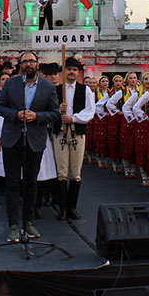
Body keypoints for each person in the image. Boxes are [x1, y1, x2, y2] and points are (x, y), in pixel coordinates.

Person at [0, 51, 60, 243]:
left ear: (37, 65)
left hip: (35, 139)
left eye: (32, 61)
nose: (28, 64)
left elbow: (54, 112)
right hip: (12, 139)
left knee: (31, 182)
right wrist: (16, 115)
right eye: (25, 62)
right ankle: (13, 225)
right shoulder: (11, 84)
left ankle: (29, 221)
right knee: (12, 183)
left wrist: (37, 116)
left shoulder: (48, 87)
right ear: (20, 65)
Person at [51, 57, 95, 220]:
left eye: (74, 69)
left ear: (78, 72)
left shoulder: (86, 90)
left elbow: (90, 111)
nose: (71, 72)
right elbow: (48, 111)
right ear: (64, 72)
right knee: (62, 172)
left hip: (77, 132)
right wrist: (58, 109)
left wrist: (74, 118)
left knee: (76, 173)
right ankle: (62, 208)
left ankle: (72, 207)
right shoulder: (56, 90)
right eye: (69, 69)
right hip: (60, 133)